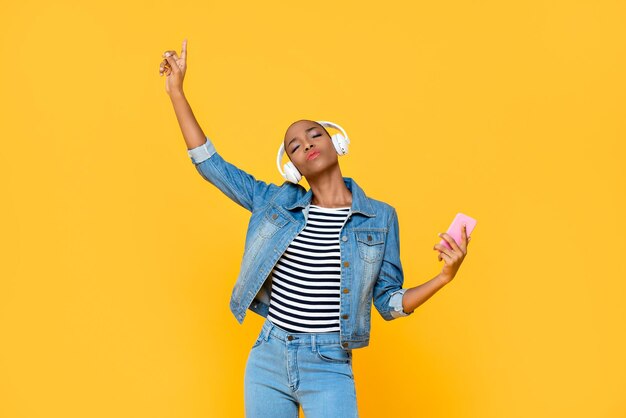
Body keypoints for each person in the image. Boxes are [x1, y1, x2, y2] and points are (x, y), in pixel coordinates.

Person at [160, 39, 471, 418]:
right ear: (292, 168)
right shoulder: (273, 202)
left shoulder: (380, 217)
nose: (305, 144)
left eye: (314, 134)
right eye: (294, 146)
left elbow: (389, 304)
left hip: (329, 363)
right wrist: (176, 91)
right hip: (268, 357)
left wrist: (444, 276)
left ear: (337, 143)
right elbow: (210, 164)